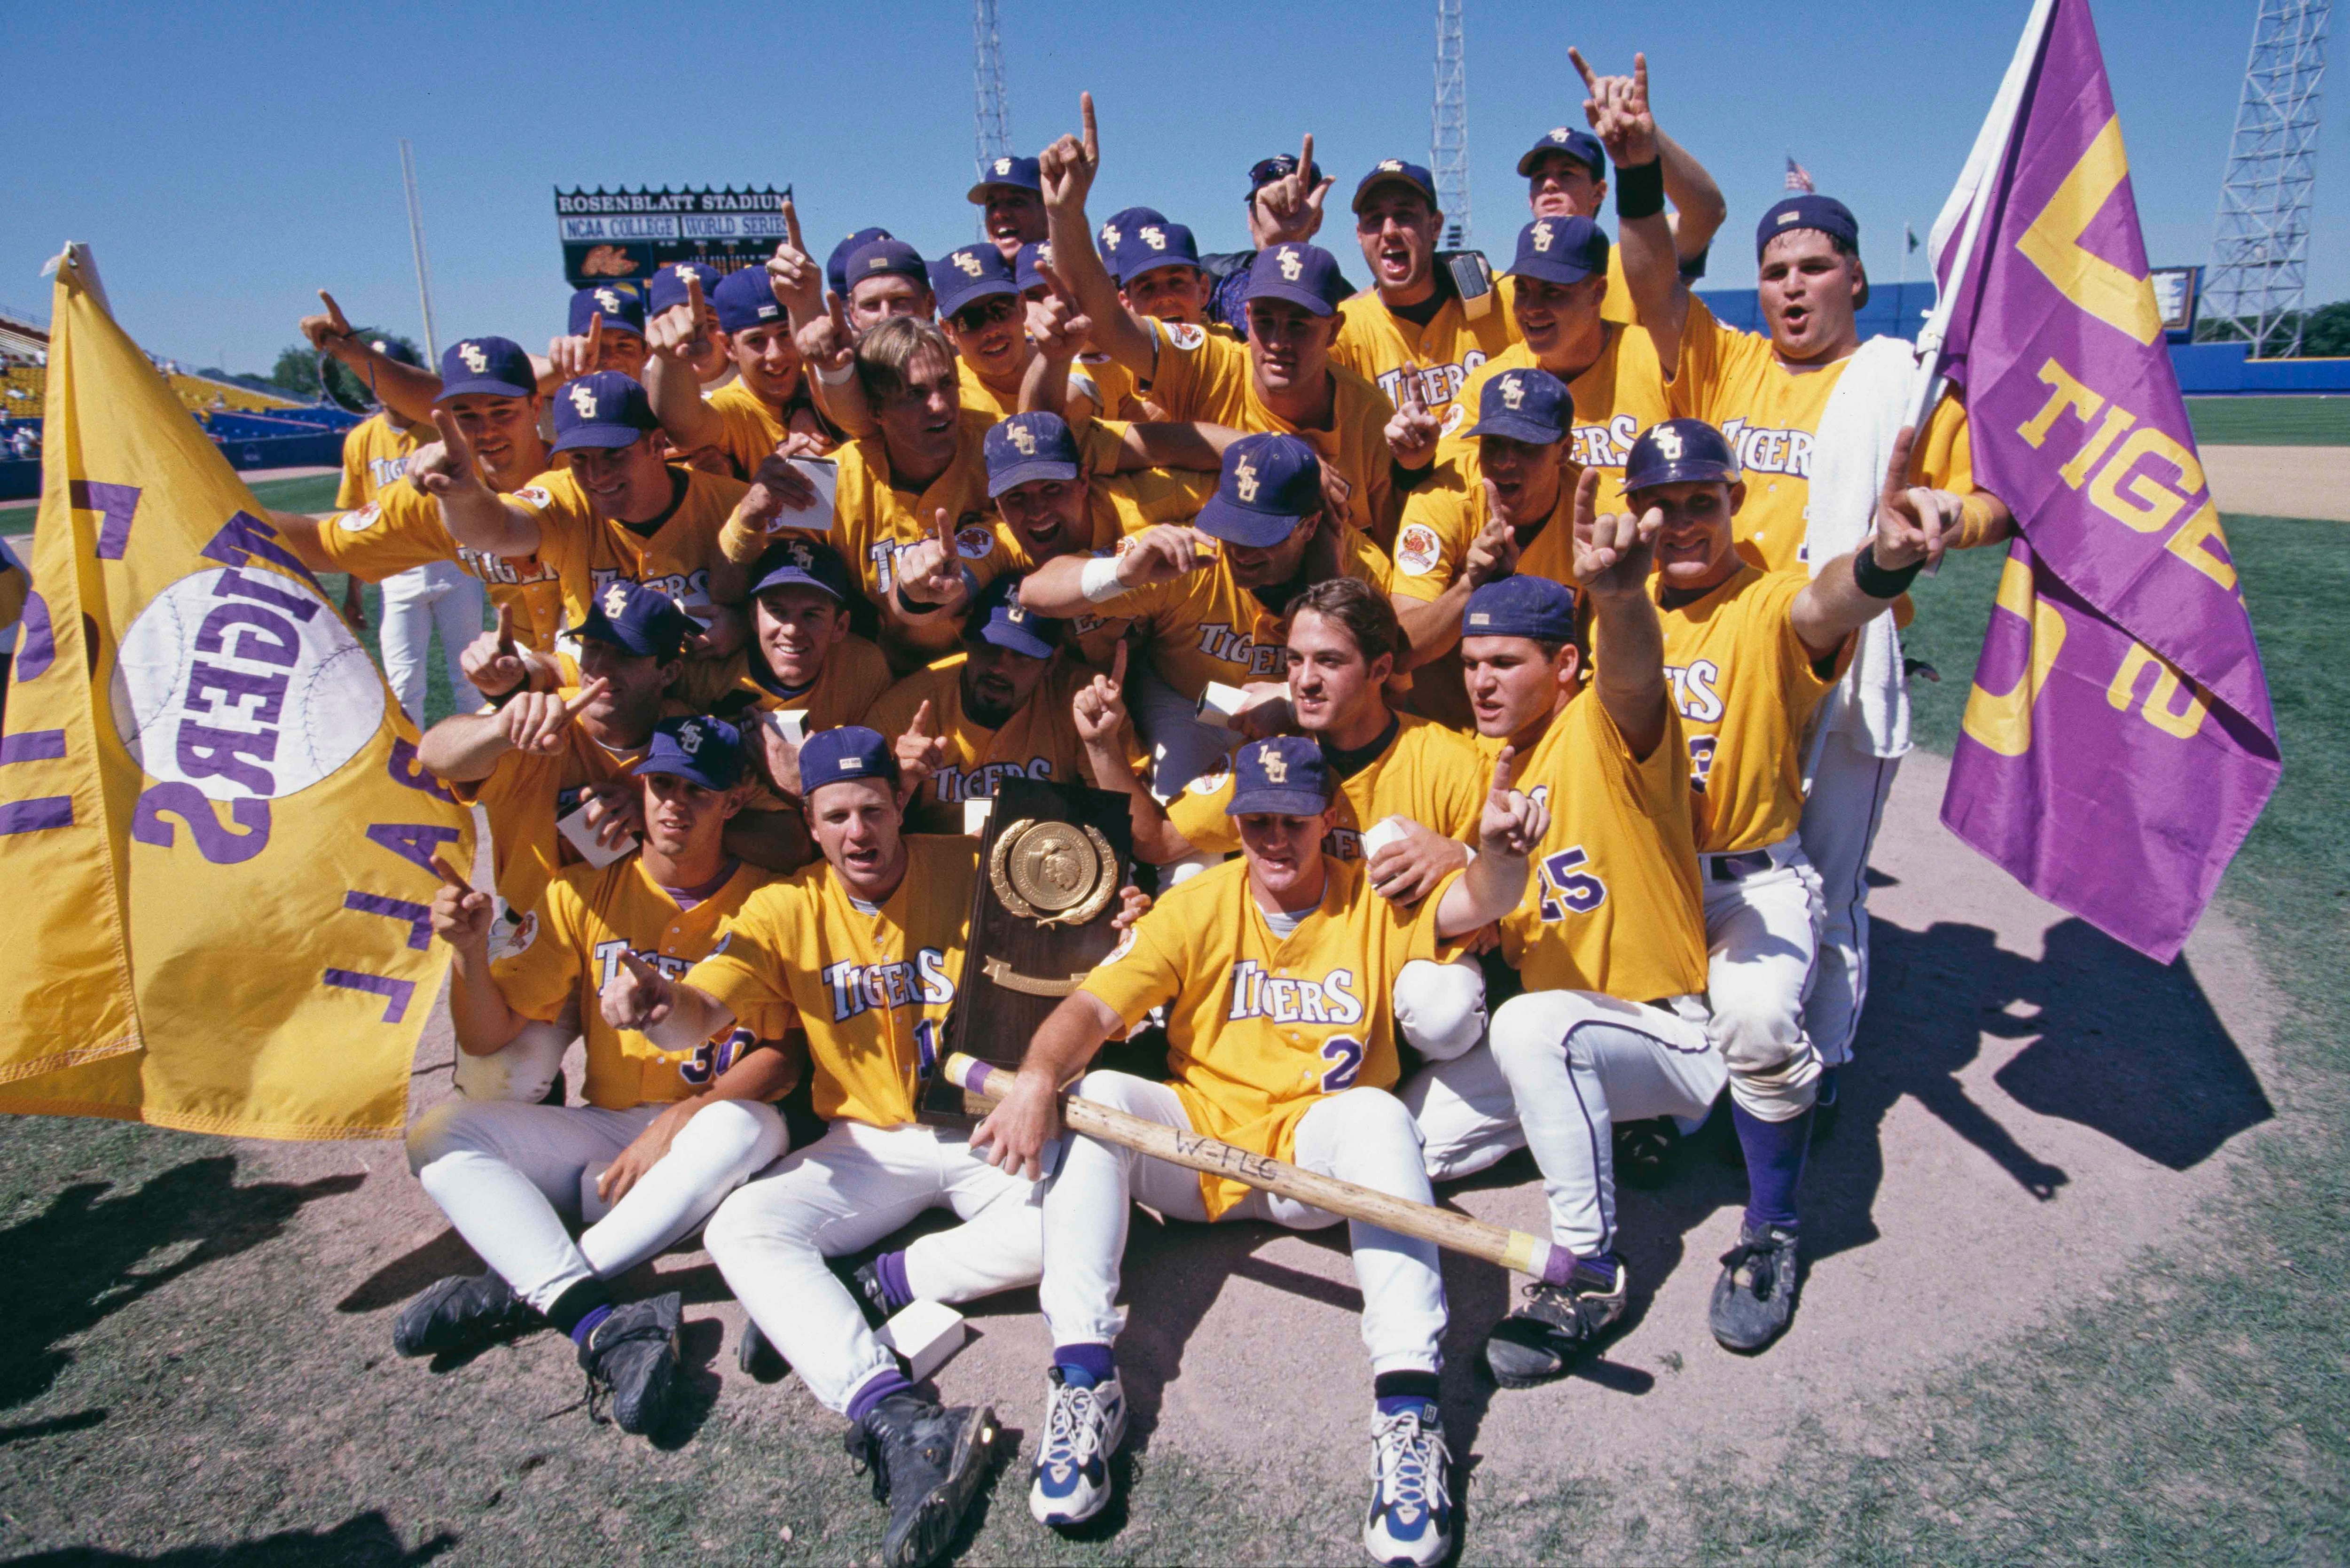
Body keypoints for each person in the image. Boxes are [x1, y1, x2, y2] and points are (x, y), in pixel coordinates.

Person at [968, 733, 1546, 1565]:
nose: (1275, 840)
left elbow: (1481, 900)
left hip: (1317, 1155)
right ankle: (1085, 1377)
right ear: (1234, 822)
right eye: (1257, 821)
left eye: (1295, 821)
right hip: (1199, 1141)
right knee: (1092, 1097)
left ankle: (1408, 1411)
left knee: (1381, 1115)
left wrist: (1495, 854)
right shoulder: (1196, 905)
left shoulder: (1375, 899)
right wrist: (1033, 1078)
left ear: (1329, 818)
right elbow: (1092, 1013)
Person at [603, 726, 1143, 1568]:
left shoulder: (975, 865)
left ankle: (878, 1282)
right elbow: (702, 1011)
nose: (859, 831)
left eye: (874, 809)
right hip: (864, 1144)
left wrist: (1117, 924)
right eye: (838, 815)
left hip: (980, 1128)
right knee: (741, 1229)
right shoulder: (785, 906)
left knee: (1081, 1226)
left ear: (901, 807)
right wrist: (655, 1001)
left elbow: (1083, 931)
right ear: (811, 825)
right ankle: (895, 1412)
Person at [1625, 189, 2013, 1131]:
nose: (1791, 288)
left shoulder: (1904, 386)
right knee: (1700, 856)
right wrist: (1637, 163)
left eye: (1813, 268)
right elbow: (1651, 285)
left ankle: (1821, 1061)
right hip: (1728, 652)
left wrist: (1947, 518)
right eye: (1773, 272)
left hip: (1846, 656)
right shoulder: (1735, 365)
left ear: (1856, 278)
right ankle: (1698, 1070)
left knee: (1831, 886)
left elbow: (1991, 501)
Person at [1622, 416, 1944, 1351]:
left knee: (1759, 1024)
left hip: (1746, 887)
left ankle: (1772, 1231)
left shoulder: (1766, 604)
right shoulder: (1614, 608)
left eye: (1699, 501)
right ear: (1635, 516)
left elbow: (1833, 605)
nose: (1680, 522)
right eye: (1659, 505)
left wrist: (1883, 561)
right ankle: (1663, 1114)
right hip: (1643, 882)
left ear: (1732, 503)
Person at [396, 715, 796, 1435]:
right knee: (441, 1132)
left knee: (748, 1123)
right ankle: (597, 1318)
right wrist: (466, 951)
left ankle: (524, 1291)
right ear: (639, 787)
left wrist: (684, 1118)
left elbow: (789, 1057)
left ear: (734, 800)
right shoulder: (581, 890)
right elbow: (488, 1036)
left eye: (698, 791)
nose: (675, 804)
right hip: (610, 1137)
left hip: (717, 1145)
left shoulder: (776, 898)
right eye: (663, 784)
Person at [1393, 499, 1714, 1386]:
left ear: (1565, 665)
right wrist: (1462, 852)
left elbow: (1638, 678)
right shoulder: (1486, 763)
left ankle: (1592, 1273)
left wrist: (1617, 600)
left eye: (1506, 662)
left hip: (1670, 1037)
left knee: (1532, 1027)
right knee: (1405, 1151)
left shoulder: (1604, 729)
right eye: (1470, 665)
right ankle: (1593, 1130)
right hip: (1571, 1043)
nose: (1482, 682)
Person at [1038, 95, 1405, 548]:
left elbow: (1395, 562)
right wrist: (1065, 214)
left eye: (1300, 325)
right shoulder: (1212, 362)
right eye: (1266, 321)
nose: (1278, 341)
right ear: (1245, 316)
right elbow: (1109, 325)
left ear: (1333, 330)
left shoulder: (1369, 414)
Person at [1018, 433, 1392, 807]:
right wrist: (1123, 573)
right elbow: (1035, 593)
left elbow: (1392, 676)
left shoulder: (1363, 570)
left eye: (1261, 534)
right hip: (1188, 706)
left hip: (1308, 715)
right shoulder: (1194, 553)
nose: (1240, 550)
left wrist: (1291, 701)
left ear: (1309, 526)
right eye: (1232, 526)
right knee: (1187, 865)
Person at [415, 370, 756, 651]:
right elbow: (496, 530)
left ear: (654, 444)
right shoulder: (565, 496)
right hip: (608, 696)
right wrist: (462, 493)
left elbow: (797, 604)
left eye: (613, 454)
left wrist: (747, 623)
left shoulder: (731, 502)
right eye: (580, 457)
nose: (596, 475)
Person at [868, 576, 1143, 835]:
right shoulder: (907, 707)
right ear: (966, 638)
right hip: (939, 862)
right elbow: (863, 832)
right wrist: (898, 786)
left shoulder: (1085, 701)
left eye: (1022, 654)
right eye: (990, 646)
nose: (1000, 666)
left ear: (1052, 661)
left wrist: (1102, 746)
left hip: (1048, 858)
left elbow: (1129, 827)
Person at [1387, 366, 1579, 728]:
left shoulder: (1595, 513)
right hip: (1445, 728)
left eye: (1526, 447)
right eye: (1494, 444)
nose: (1506, 461)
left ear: (1564, 450)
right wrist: (1470, 587)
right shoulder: (1445, 496)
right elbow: (1400, 649)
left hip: (1552, 731)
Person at [982, 409, 1216, 665]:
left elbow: (1246, 495)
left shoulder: (1149, 500)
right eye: (1016, 497)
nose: (1038, 511)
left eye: (1052, 488)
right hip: (1060, 684)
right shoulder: (999, 543)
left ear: (1083, 481)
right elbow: (951, 581)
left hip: (1161, 664)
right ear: (998, 505)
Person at [1513, 49, 1727, 320]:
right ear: (1530, 200)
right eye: (1539, 178)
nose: (1550, 185)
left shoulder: (1630, 261)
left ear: (1599, 192)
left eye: (1567, 174)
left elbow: (1706, 214)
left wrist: (1647, 140)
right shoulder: (1514, 287)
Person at [1332, 158, 1518, 429]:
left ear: (1435, 226)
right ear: (1359, 235)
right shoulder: (1344, 329)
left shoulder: (1501, 298)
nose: (1389, 231)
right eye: (1374, 219)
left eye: (1404, 215)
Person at [643, 265, 833, 483]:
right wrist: (671, 360)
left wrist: (804, 404)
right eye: (756, 341)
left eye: (784, 334)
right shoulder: (735, 406)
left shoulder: (817, 374)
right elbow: (685, 429)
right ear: (729, 347)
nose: (775, 355)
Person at [971, 154, 1049, 262]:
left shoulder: (1075, 269)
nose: (999, 214)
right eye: (992, 205)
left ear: (1047, 213)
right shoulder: (973, 276)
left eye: (1016, 202)